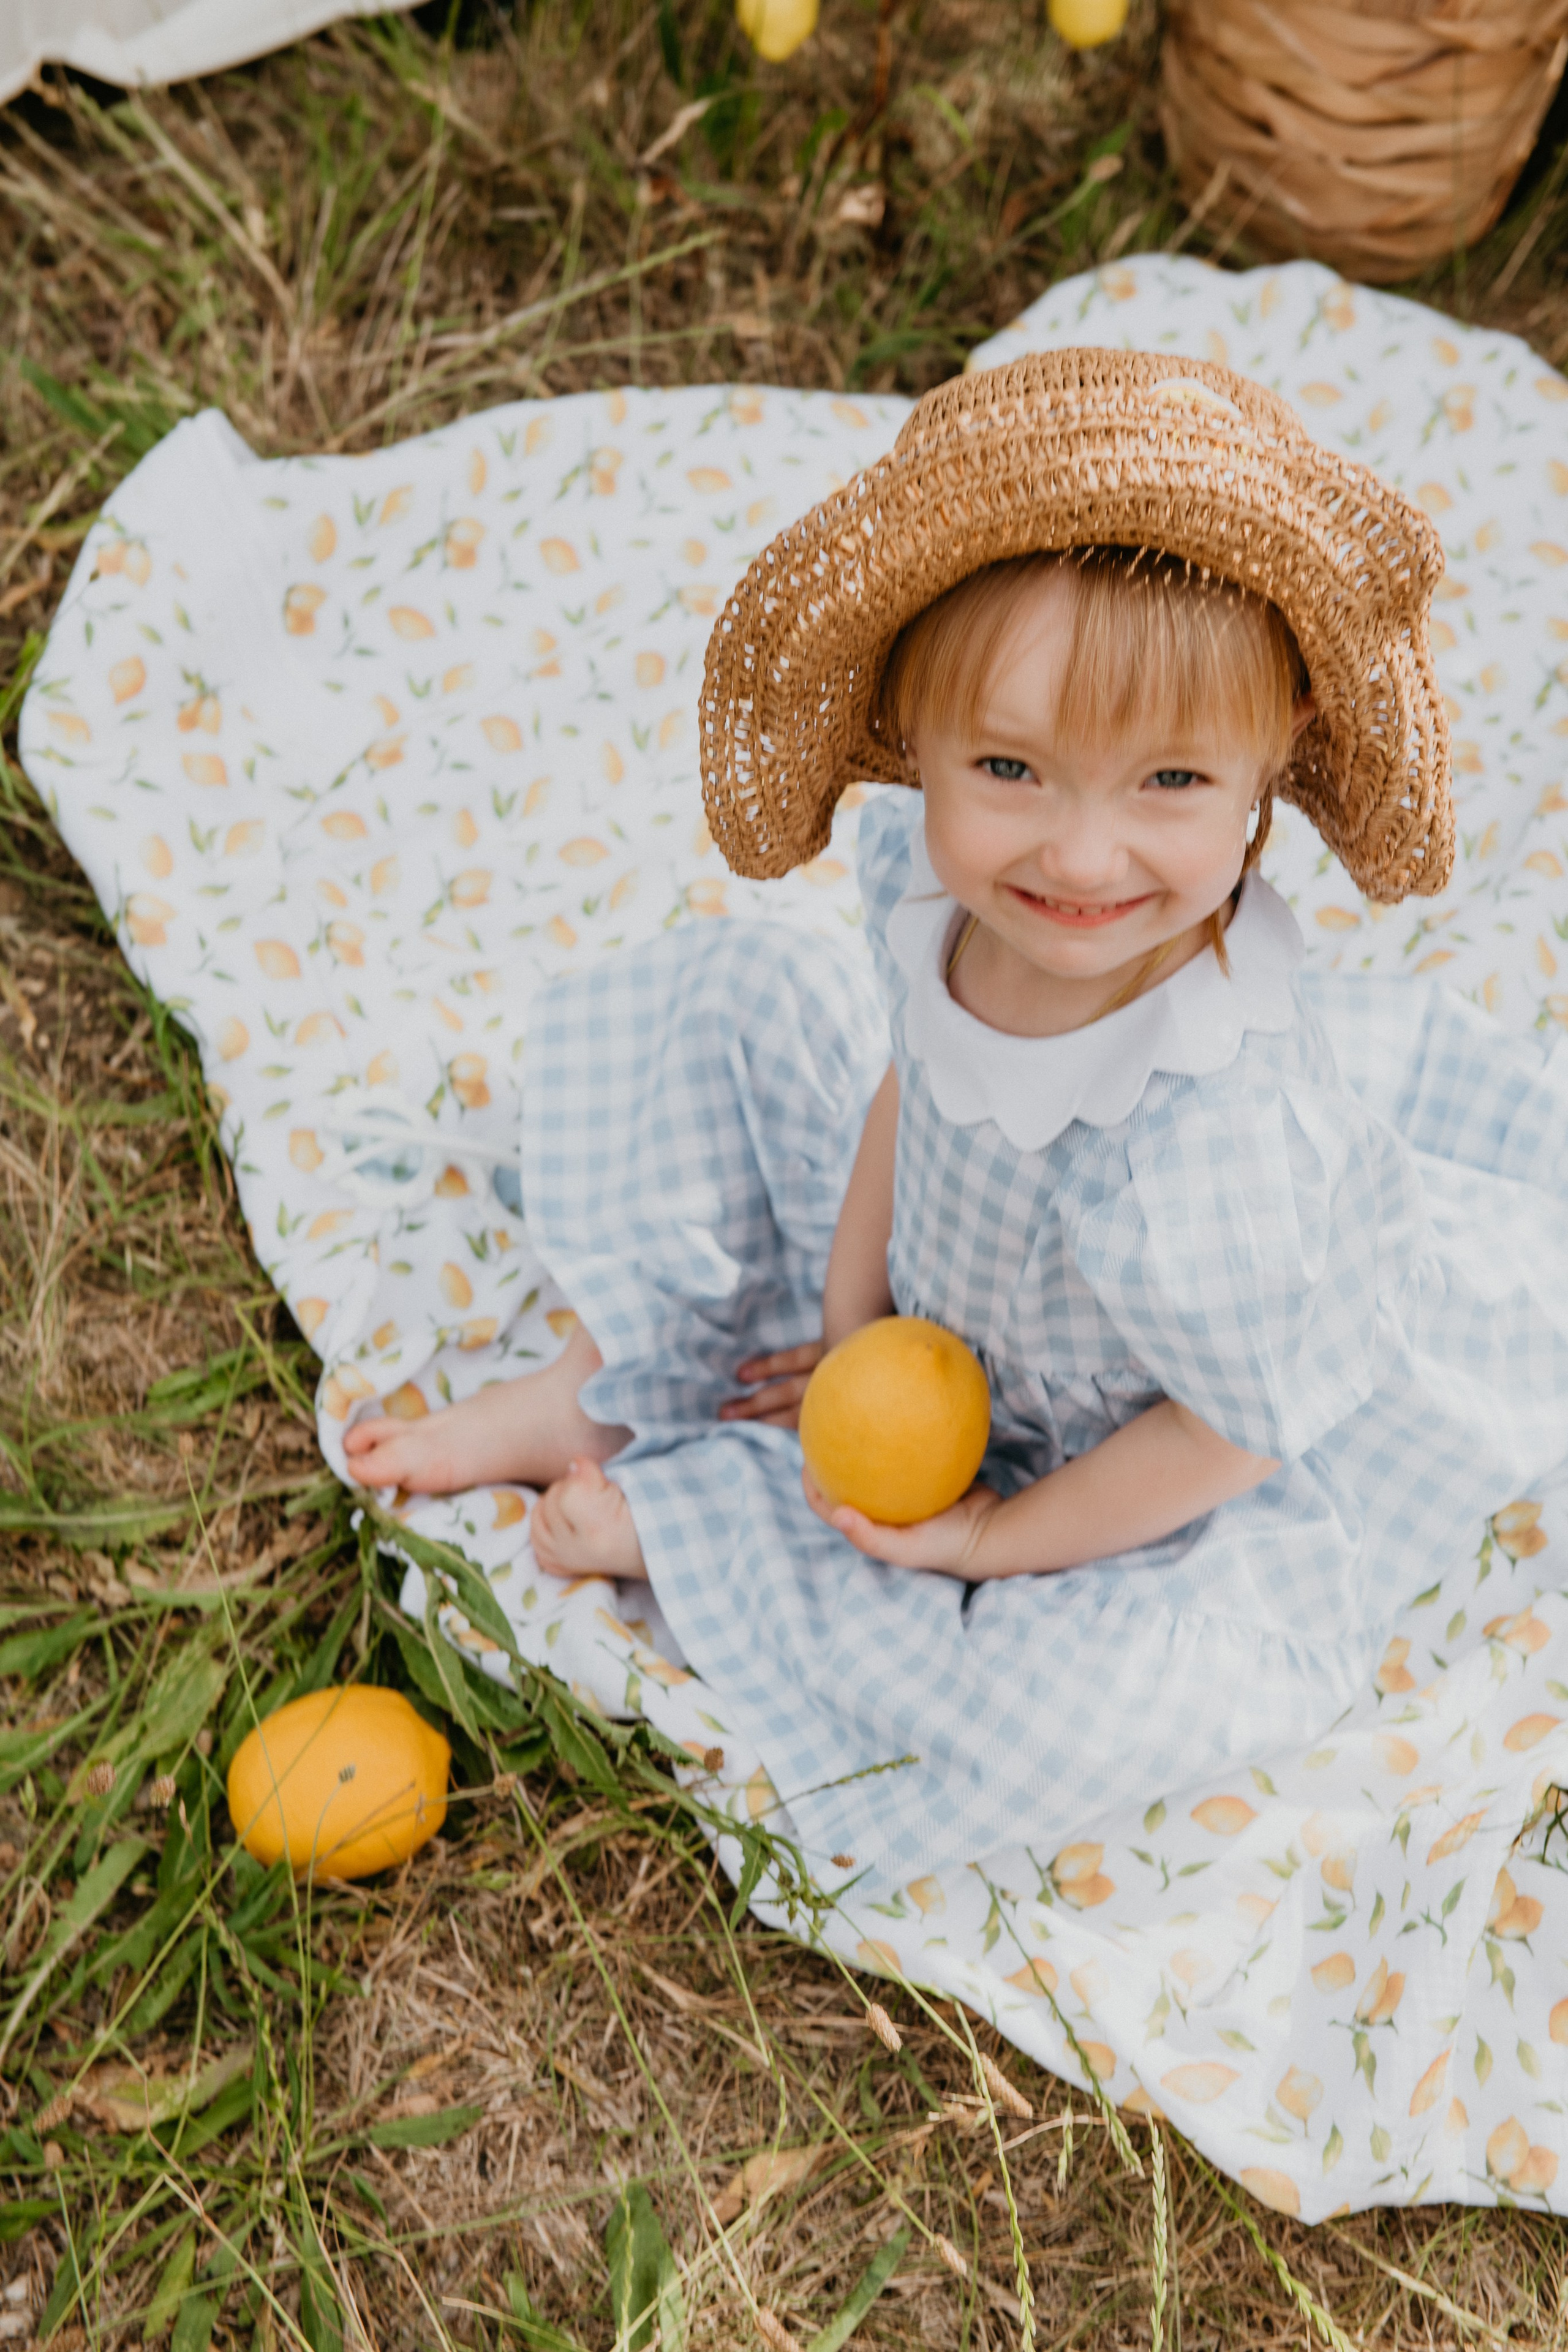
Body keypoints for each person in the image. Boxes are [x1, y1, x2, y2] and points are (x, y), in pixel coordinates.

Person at [344, 351, 1568, 1875]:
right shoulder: (941, 892)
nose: (1080, 854)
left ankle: (729, 1541)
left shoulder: (1220, 1149)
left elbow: (1224, 1439)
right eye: (1008, 766)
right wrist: (855, 1324)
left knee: (1076, 1703)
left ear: (1270, 763)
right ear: (909, 728)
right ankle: (598, 1384)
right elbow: (908, 1092)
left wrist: (993, 1532)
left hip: (1132, 1438)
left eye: (1170, 780)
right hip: (943, 1299)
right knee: (724, 1011)